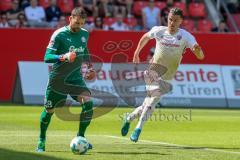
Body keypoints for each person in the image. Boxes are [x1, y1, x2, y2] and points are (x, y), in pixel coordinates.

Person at [121, 8, 204, 142]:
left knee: (147, 105)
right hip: (153, 70)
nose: (172, 22)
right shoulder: (159, 30)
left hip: (168, 76)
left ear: (181, 21)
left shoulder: (186, 36)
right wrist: (136, 53)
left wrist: (198, 51)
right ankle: (138, 128)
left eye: (175, 20)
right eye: (170, 19)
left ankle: (129, 118)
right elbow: (145, 37)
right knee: (154, 98)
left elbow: (200, 56)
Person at [37, 7, 95, 152]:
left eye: (82, 23)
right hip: (58, 81)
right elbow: (47, 57)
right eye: (77, 23)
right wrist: (63, 56)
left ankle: (81, 138)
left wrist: (89, 66)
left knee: (88, 103)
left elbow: (85, 49)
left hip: (76, 79)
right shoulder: (59, 35)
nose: (79, 26)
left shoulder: (84, 34)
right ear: (70, 18)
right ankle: (41, 140)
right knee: (49, 111)